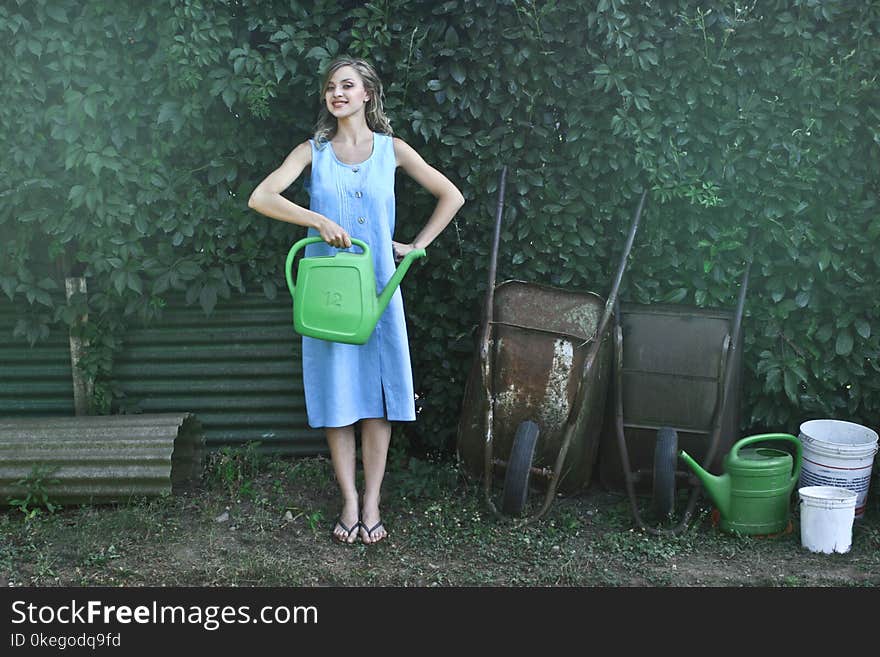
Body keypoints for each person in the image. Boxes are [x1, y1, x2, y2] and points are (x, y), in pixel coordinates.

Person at [247, 56, 464, 545]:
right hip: (328, 294)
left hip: (379, 291)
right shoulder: (312, 151)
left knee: (378, 402)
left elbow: (451, 195)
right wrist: (316, 220)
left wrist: (414, 246)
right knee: (337, 396)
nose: (337, 93)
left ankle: (372, 501)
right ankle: (348, 499)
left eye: (347, 85)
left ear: (368, 93)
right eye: (330, 87)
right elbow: (261, 197)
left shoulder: (393, 150)